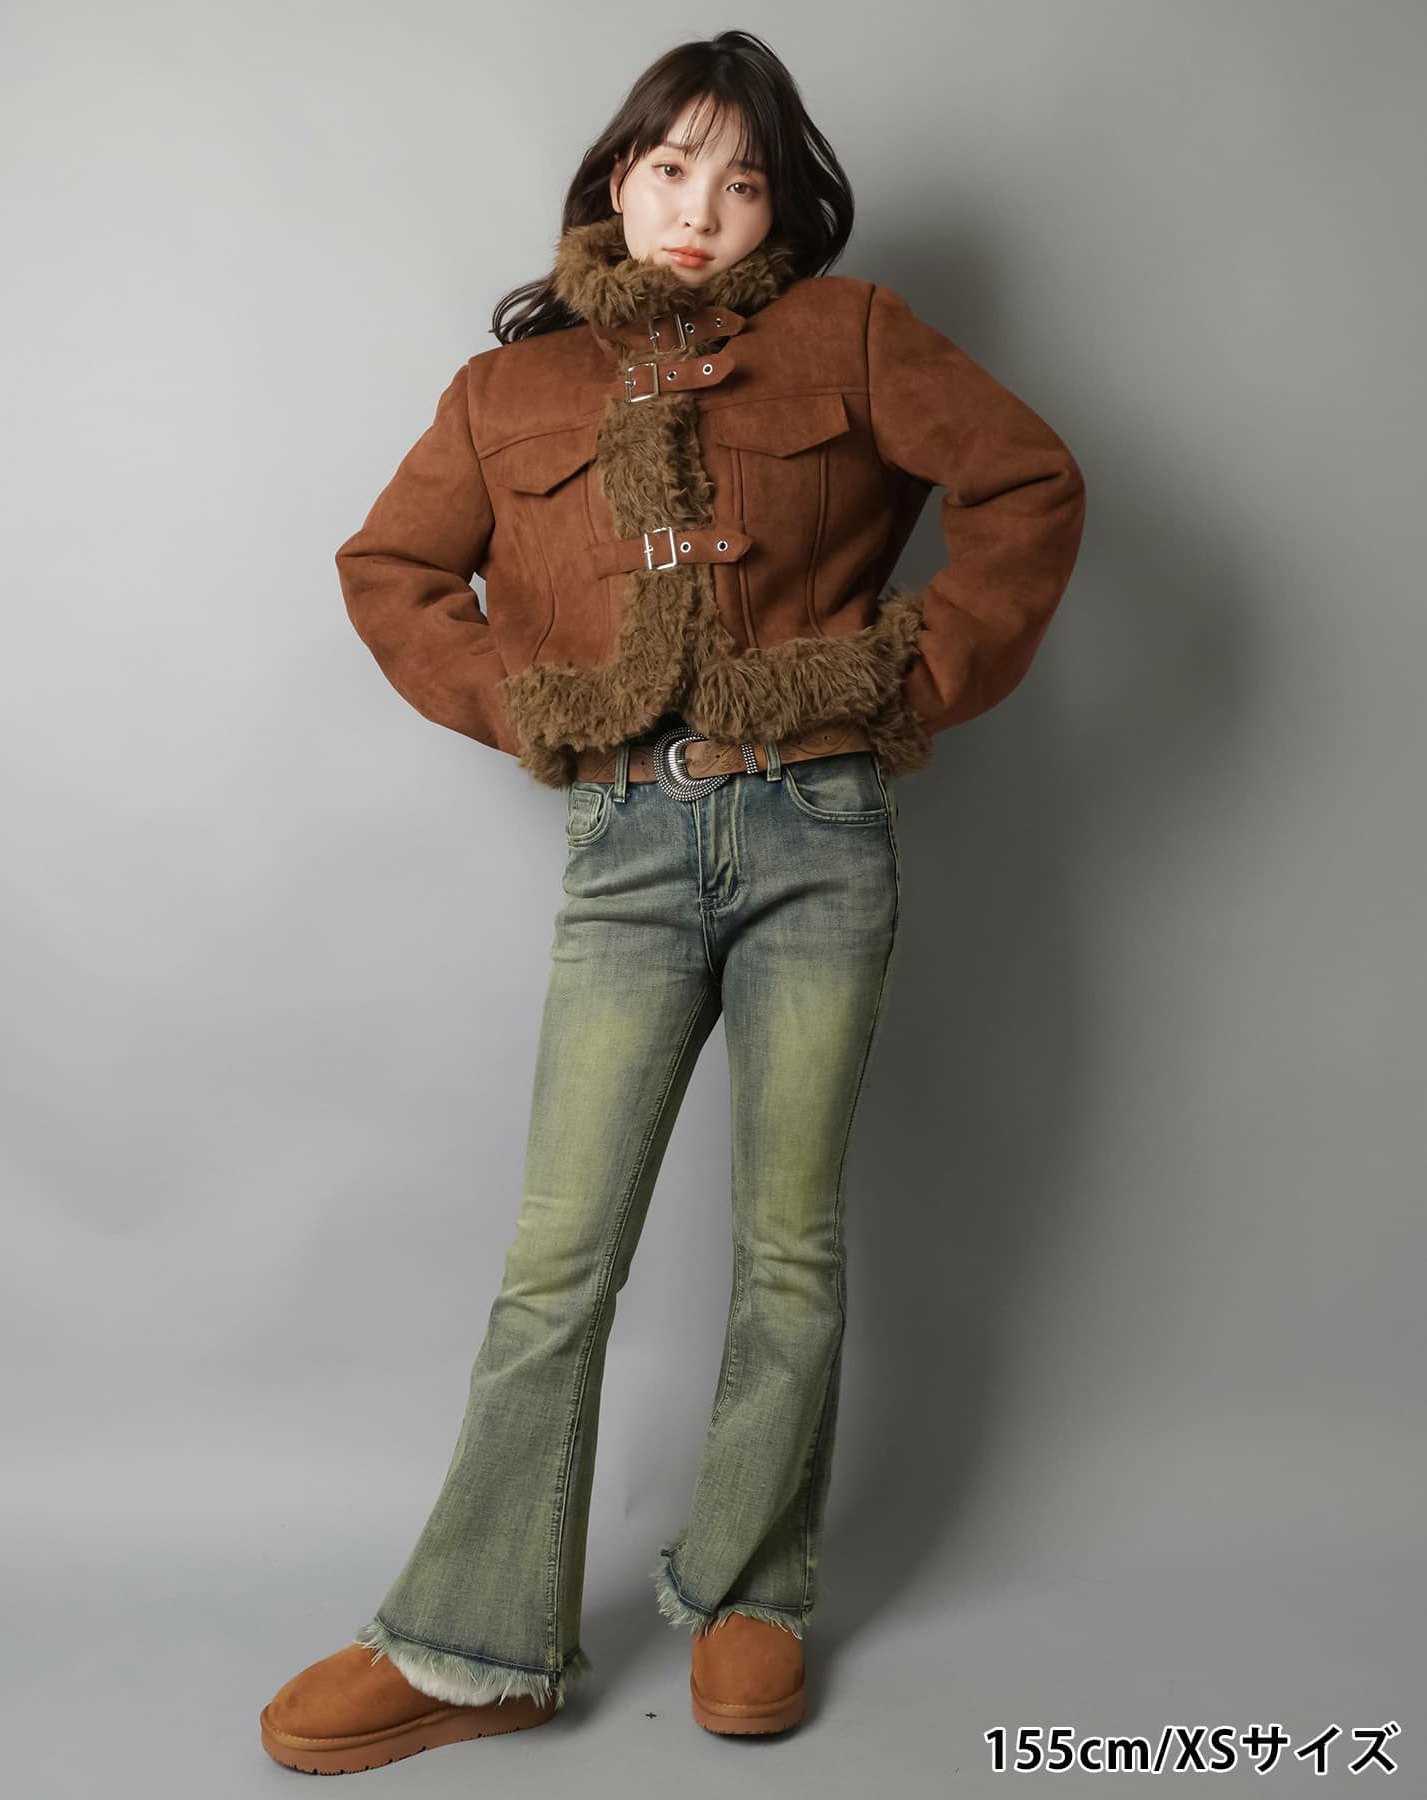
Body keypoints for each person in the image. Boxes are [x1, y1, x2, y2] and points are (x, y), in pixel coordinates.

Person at [260, 27, 1086, 1775]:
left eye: (743, 180)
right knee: (556, 1263)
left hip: (822, 834)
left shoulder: (854, 335)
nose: (700, 208)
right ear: (615, 182)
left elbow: (1026, 486)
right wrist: (529, 705)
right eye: (669, 168)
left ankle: (750, 1593)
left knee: (792, 1245)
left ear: (783, 208)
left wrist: (910, 674)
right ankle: (478, 1643)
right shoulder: (509, 393)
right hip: (626, 852)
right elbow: (392, 570)